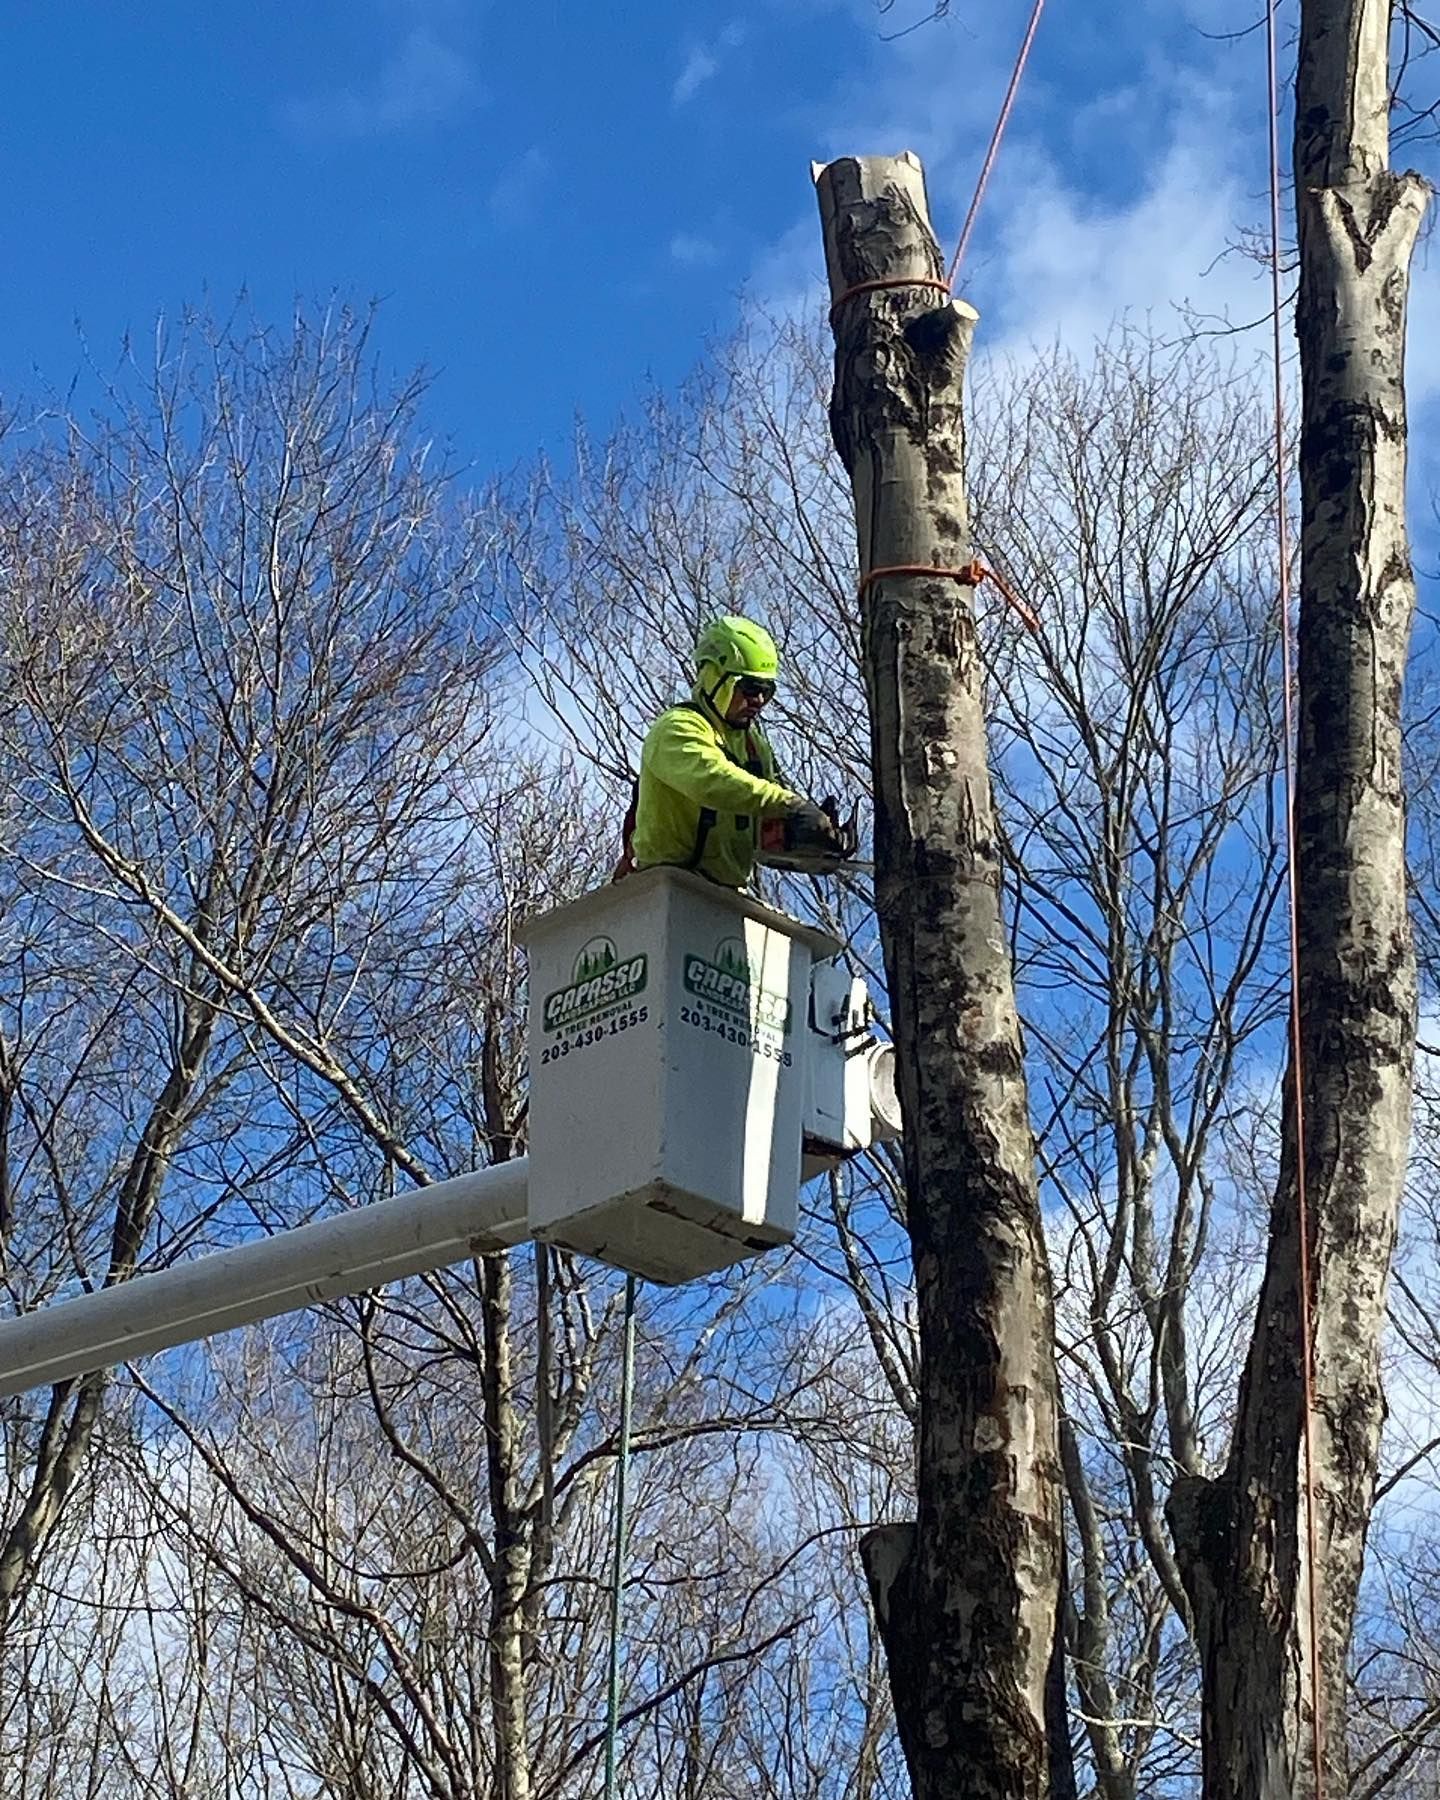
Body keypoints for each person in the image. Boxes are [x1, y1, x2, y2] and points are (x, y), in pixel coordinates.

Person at [617, 616, 838, 890]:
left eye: (767, 691)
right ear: (714, 678)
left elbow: (759, 827)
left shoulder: (754, 749)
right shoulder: (676, 729)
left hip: (725, 895)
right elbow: (713, 780)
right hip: (663, 888)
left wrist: (805, 841)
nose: (758, 701)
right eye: (749, 688)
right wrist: (790, 806)